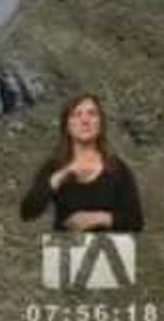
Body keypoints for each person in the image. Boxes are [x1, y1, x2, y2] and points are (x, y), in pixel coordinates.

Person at [20, 92, 144, 232]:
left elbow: (136, 221)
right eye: (76, 114)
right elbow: (27, 212)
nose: (85, 120)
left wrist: (101, 218)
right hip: (65, 246)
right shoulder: (54, 166)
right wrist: (58, 178)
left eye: (92, 114)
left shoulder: (117, 168)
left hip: (108, 246)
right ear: (67, 125)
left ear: (100, 123)